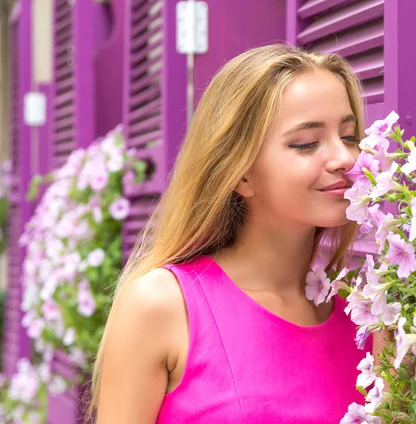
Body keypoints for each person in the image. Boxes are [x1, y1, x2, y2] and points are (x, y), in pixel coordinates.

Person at [89, 43, 373, 423]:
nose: (346, 159)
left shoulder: (368, 319)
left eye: (350, 136)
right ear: (240, 172)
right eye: (306, 143)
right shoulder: (162, 305)